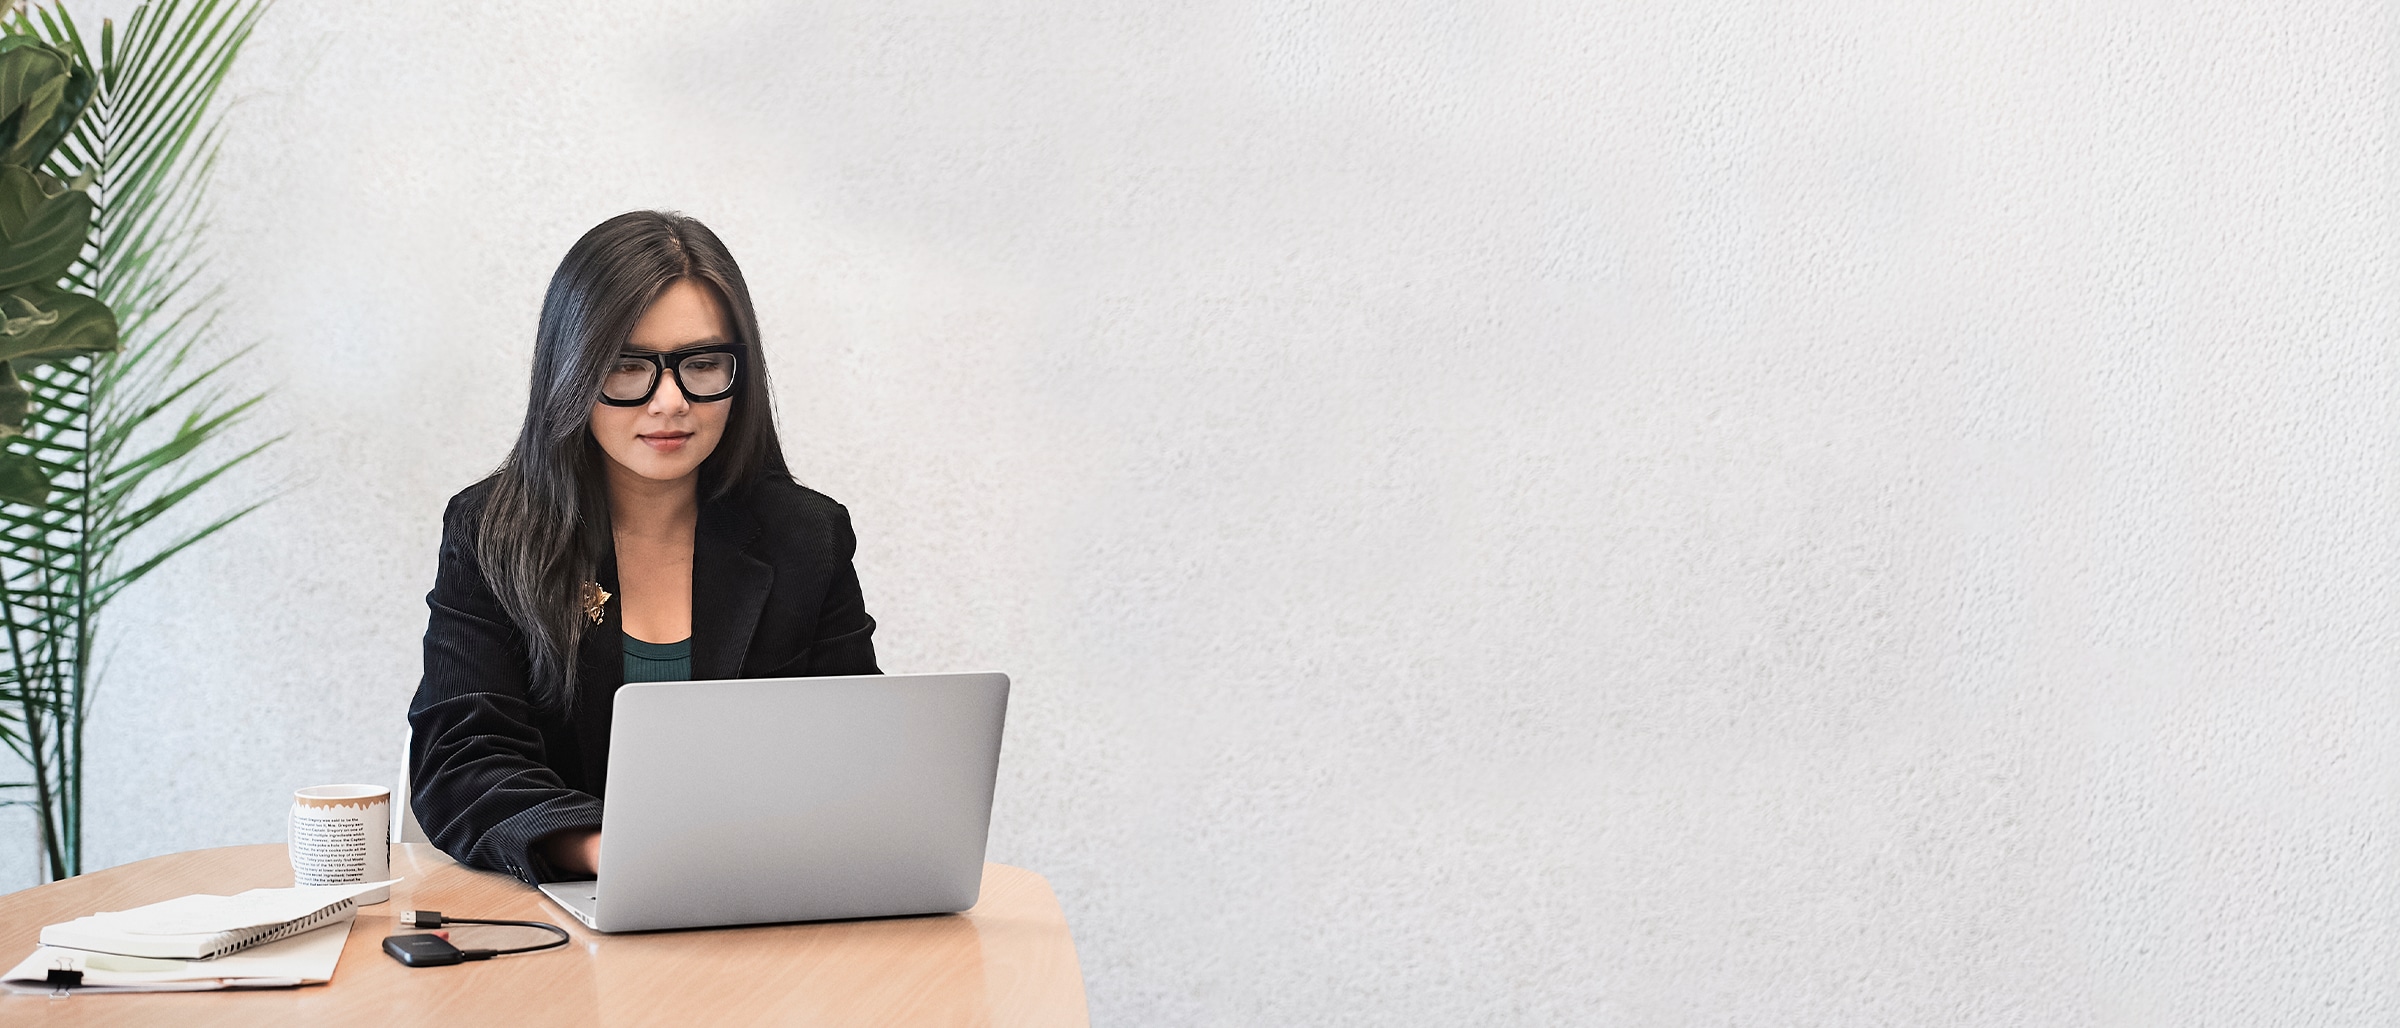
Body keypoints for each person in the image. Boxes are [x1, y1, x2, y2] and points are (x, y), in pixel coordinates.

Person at [409, 211, 880, 884]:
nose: (670, 401)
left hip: (762, 904)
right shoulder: (492, 531)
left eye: (703, 364)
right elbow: (462, 763)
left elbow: (857, 753)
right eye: (628, 366)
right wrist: (611, 853)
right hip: (567, 916)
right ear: (570, 371)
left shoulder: (807, 537)